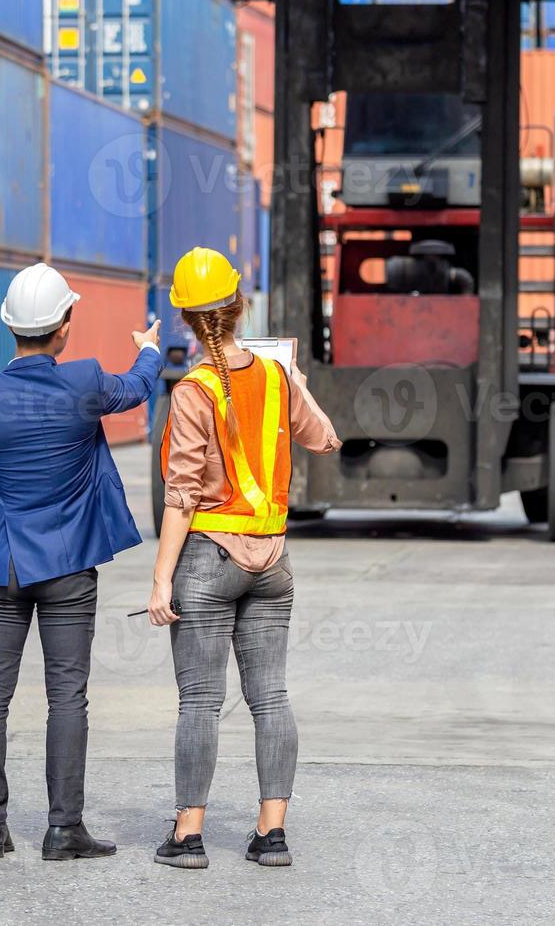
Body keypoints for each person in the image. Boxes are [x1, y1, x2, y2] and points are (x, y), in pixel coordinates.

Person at [0, 262, 161, 861]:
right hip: (68, 566)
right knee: (67, 695)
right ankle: (63, 829)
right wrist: (148, 350)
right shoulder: (84, 382)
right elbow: (139, 387)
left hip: (1, 565)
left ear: (9, 327)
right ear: (64, 326)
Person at [147, 247, 341, 870]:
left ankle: (189, 836)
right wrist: (299, 388)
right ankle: (271, 834)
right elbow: (325, 439)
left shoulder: (192, 391)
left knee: (200, 701)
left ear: (184, 319)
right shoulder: (278, 378)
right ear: (239, 307)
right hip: (273, 561)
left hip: (208, 558)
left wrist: (160, 581)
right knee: (270, 697)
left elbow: (180, 497)